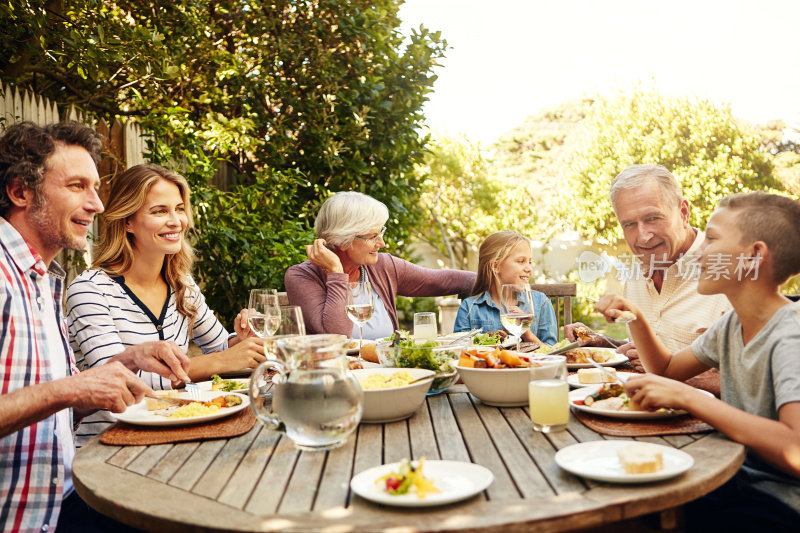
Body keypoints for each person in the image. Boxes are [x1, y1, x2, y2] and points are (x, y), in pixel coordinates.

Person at [0, 121, 191, 533]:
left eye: (96, 187)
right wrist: (72, 388)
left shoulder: (41, 280)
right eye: (76, 186)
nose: (98, 204)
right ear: (20, 192)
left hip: (67, 500)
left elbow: (55, 408)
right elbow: (61, 394)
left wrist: (125, 362)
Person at [597, 192, 800, 531]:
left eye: (712, 239)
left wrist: (690, 398)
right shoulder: (732, 325)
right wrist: (636, 318)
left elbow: (795, 449)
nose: (700, 252)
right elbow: (665, 370)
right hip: (731, 478)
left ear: (754, 256)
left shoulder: (790, 334)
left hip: (781, 502)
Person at [66, 164, 266, 446]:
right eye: (159, 211)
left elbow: (221, 346)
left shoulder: (181, 283)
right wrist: (220, 361)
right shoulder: (90, 290)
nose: (176, 221)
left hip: (180, 433)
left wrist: (243, 340)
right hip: (107, 446)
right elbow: (114, 383)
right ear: (127, 222)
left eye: (179, 209)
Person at [565, 164, 730, 393]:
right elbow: (649, 351)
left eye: (653, 218)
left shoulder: (729, 274)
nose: (643, 236)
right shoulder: (635, 275)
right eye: (629, 224)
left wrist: (664, 373)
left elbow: (757, 384)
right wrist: (602, 342)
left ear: (683, 212)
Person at [285, 191, 475, 339]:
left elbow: (442, 281)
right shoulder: (301, 277)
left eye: (380, 233)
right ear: (343, 240)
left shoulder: (383, 266)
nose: (381, 243)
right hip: (337, 381)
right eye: (372, 237)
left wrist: (494, 278)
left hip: (387, 376)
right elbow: (337, 337)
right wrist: (336, 272)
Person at [453, 231, 558, 345]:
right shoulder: (470, 308)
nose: (529, 269)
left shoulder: (540, 302)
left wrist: (527, 334)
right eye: (521, 261)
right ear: (495, 266)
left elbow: (553, 353)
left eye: (530, 262)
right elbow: (460, 351)